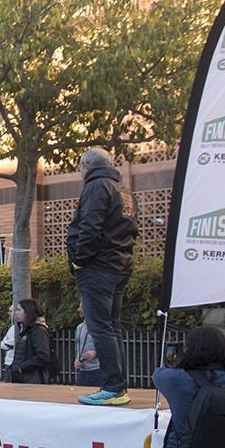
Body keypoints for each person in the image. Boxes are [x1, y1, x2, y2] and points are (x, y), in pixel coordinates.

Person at [67, 148, 137, 406]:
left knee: (100, 327)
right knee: (112, 327)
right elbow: (130, 230)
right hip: (119, 264)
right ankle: (118, 386)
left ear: (86, 165)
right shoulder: (123, 190)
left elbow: (90, 226)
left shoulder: (96, 186)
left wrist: (78, 261)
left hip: (98, 267)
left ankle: (112, 387)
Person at [7, 299, 52, 384]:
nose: (16, 313)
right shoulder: (26, 330)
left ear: (27, 312)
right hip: (22, 378)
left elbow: (43, 355)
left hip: (32, 378)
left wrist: (22, 367)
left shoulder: (38, 331)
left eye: (19, 310)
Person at [73, 303, 102, 387]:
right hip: (83, 371)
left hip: (98, 369)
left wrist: (96, 352)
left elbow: (110, 347)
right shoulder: (79, 327)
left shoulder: (100, 326)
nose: (79, 310)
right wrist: (77, 360)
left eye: (81, 307)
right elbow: (79, 347)